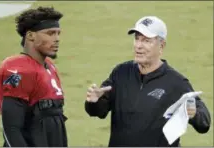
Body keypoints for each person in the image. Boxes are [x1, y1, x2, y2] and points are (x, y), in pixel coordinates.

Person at [85, 16, 211, 147]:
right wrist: (94, 102)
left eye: (146, 41)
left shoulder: (176, 82)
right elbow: (98, 112)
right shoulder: (121, 73)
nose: (139, 46)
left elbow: (204, 124)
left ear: (161, 46)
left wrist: (195, 113)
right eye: (137, 39)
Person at [0, 6, 68, 147]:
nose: (57, 39)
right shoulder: (19, 68)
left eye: (58, 33)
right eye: (50, 33)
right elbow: (12, 128)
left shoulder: (50, 66)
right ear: (30, 36)